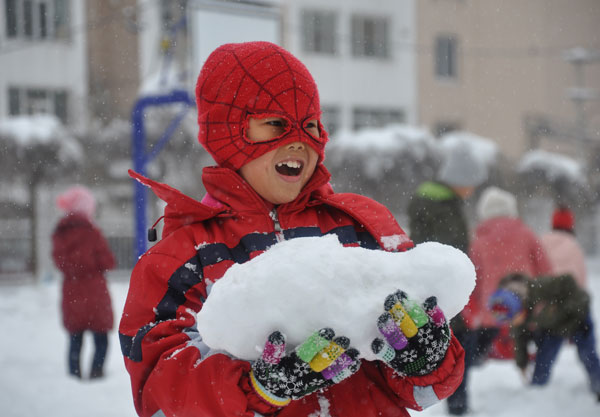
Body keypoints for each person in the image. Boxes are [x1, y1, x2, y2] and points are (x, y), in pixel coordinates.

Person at [118, 41, 465, 417]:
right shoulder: (185, 255)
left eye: (311, 125)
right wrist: (259, 389)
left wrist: (426, 361)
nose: (299, 140)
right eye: (277, 124)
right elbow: (159, 387)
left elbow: (417, 387)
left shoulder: (361, 228)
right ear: (229, 133)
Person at [407, 140, 486, 415]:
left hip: (431, 284)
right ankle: (458, 404)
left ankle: (454, 401)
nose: (472, 189)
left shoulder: (432, 199)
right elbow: (452, 249)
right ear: (459, 179)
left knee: (451, 344)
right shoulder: (443, 206)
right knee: (459, 345)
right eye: (471, 182)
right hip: (443, 288)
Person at [464, 187, 553, 362]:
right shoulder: (526, 233)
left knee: (487, 353)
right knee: (537, 343)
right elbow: (544, 268)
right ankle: (538, 377)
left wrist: (475, 309)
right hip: (525, 302)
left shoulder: (479, 241)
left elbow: (474, 277)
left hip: (494, 308)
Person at [489, 273, 600, 401]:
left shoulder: (538, 289)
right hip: (552, 328)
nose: (514, 323)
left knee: (587, 355)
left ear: (520, 305)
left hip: (579, 319)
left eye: (514, 319)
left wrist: (560, 310)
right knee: (543, 360)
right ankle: (536, 396)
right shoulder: (516, 315)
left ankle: (598, 386)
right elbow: (520, 339)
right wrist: (522, 364)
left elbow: (570, 283)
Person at [52, 185, 115, 379]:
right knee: (101, 338)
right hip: (94, 289)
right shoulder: (92, 231)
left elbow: (58, 260)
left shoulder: (60, 232)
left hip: (72, 290)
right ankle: (96, 373)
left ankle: (74, 375)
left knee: (75, 337)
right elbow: (108, 261)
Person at [540, 206, 588, 290]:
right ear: (571, 225)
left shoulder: (541, 242)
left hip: (545, 294)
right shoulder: (574, 247)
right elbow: (581, 280)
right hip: (568, 297)